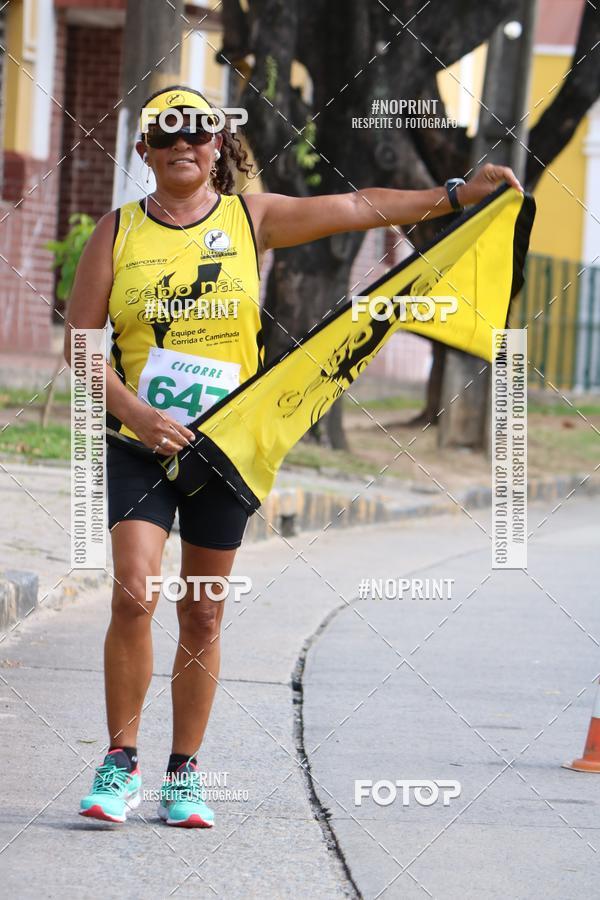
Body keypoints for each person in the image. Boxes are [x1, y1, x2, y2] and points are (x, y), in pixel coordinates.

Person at [64, 84, 522, 828]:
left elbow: (359, 207)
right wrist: (138, 416)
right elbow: (80, 346)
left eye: (198, 130)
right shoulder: (116, 233)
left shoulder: (252, 219)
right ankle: (119, 762)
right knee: (133, 593)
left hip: (228, 446)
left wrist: (453, 195)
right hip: (139, 443)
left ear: (218, 145)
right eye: (166, 132)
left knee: (202, 614)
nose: (183, 143)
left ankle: (184, 774)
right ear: (144, 150)